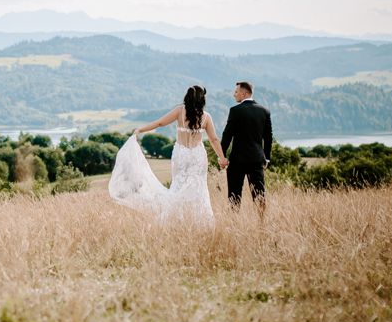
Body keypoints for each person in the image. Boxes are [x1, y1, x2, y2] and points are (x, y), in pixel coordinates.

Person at [107, 85, 226, 224]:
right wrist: (221, 157)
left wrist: (140, 129)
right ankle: (199, 221)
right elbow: (214, 139)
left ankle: (175, 221)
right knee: (199, 188)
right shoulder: (206, 117)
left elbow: (159, 123)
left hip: (181, 155)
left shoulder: (179, 111)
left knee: (177, 187)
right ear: (202, 100)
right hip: (198, 157)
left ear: (187, 97)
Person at [220, 81, 273, 217]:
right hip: (256, 160)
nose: (234, 94)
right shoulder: (264, 111)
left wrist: (222, 156)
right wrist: (267, 157)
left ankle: (234, 224)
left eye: (236, 92)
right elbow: (268, 137)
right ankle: (262, 224)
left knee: (234, 197)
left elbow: (227, 135)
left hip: (237, 161)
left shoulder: (235, 111)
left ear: (244, 93)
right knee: (259, 196)